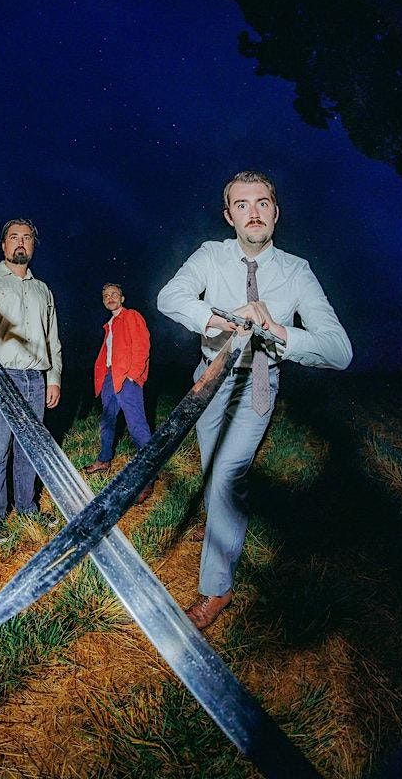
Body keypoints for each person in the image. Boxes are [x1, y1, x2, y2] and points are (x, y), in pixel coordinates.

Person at [157, 170, 352, 630]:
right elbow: (170, 296)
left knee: (227, 474)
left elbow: (339, 351)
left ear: (276, 212)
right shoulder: (211, 255)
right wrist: (226, 318)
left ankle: (216, 590)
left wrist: (278, 331)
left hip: (256, 385)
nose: (254, 213)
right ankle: (219, 522)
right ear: (229, 217)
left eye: (262, 203)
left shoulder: (296, 270)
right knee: (211, 465)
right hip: (210, 378)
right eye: (242, 205)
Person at [0, 219, 63, 543]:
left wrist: (54, 378)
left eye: (27, 237)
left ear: (33, 246)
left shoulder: (42, 289)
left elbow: (53, 341)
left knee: (29, 449)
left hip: (36, 379)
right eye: (14, 237)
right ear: (3, 245)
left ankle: (27, 507)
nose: (21, 242)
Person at [84, 283, 154, 503]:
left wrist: (132, 376)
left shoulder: (132, 316)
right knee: (107, 421)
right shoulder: (110, 324)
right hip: (109, 378)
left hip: (126, 378)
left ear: (122, 298)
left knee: (137, 426)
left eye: (114, 294)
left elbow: (142, 346)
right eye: (106, 295)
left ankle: (148, 477)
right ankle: (104, 460)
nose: (110, 298)